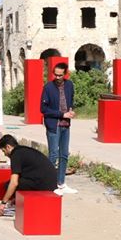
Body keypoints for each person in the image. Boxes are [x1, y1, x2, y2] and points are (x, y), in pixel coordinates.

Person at [0, 135, 58, 215]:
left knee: (8, 185)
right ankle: (19, 201)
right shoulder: (23, 150)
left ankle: (25, 204)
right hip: (51, 183)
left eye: (4, 151)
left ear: (8, 147)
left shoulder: (15, 154)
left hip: (44, 186)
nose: (5, 154)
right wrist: (17, 198)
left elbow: (14, 183)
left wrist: (3, 203)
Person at [40, 64, 77, 194]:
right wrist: (62, 114)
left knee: (64, 154)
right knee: (53, 154)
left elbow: (71, 100)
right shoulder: (48, 87)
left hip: (66, 125)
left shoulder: (69, 85)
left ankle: (61, 183)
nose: (57, 77)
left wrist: (71, 111)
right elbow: (43, 109)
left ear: (65, 74)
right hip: (53, 125)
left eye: (60, 75)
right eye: (55, 74)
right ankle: (50, 184)